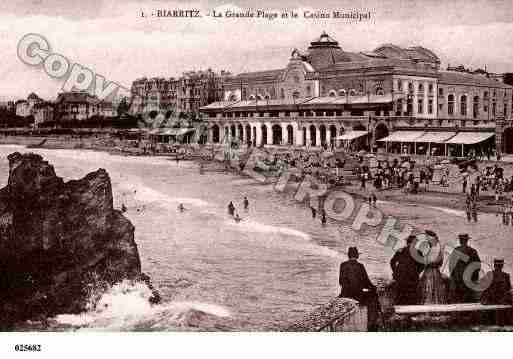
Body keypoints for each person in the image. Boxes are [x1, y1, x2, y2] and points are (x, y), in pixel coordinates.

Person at [338, 247, 381, 330]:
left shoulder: (342, 265)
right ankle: (373, 323)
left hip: (345, 294)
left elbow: (340, 281)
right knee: (373, 297)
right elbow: (366, 282)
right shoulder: (360, 266)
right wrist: (374, 288)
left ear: (348, 255)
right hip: (357, 295)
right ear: (357, 256)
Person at [390, 235, 424, 305]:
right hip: (412, 277)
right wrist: (417, 272)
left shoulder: (401, 250)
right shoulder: (417, 252)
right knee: (411, 295)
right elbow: (422, 265)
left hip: (402, 276)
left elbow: (392, 262)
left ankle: (400, 310)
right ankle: (410, 312)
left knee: (400, 295)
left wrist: (396, 272)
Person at [448, 233, 481, 303]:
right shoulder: (472, 251)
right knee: (468, 299)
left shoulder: (456, 250)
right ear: (467, 241)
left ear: (460, 241)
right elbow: (478, 266)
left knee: (458, 299)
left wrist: (453, 277)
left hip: (457, 280)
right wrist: (474, 277)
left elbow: (451, 266)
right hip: (468, 280)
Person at [418, 230, 447, 304]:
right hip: (434, 271)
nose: (427, 241)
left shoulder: (435, 249)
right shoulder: (434, 249)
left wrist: (426, 263)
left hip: (430, 272)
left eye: (427, 238)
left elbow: (433, 262)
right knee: (433, 289)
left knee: (430, 289)